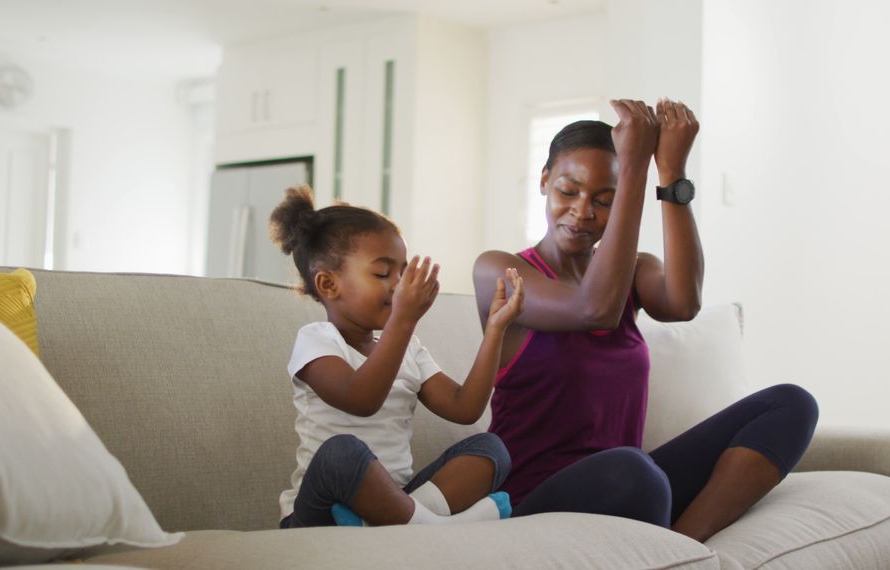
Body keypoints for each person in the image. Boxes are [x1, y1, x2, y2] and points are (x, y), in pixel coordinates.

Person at [473, 98, 819, 542]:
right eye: (568, 190)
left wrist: (671, 176)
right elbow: (592, 309)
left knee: (791, 403)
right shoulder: (499, 272)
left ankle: (687, 550)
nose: (582, 212)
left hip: (632, 486)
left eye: (604, 199)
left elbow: (683, 304)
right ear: (544, 181)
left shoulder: (631, 272)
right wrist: (633, 167)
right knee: (635, 469)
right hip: (535, 497)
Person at [270, 185, 524, 528]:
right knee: (341, 453)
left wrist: (495, 330)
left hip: (394, 499)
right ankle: (432, 527)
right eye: (382, 273)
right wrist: (403, 320)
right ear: (329, 285)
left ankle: (407, 518)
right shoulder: (316, 342)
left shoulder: (410, 348)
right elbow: (361, 399)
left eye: (403, 272)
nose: (400, 285)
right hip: (322, 511)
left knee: (491, 449)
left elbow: (465, 409)